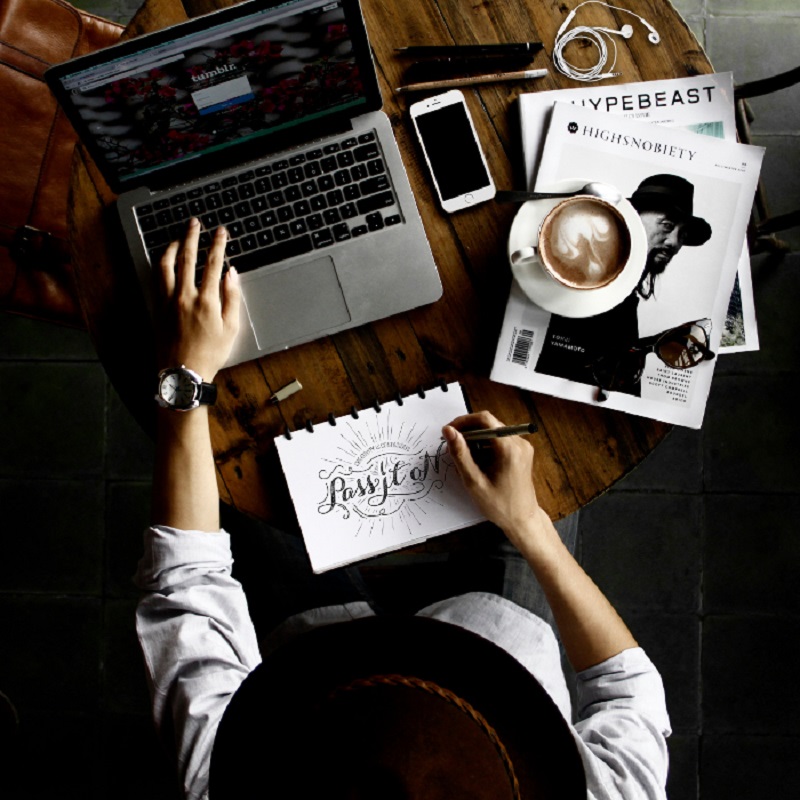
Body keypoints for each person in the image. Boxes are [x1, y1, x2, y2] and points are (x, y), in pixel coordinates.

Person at [135, 219, 671, 799]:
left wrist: (186, 379)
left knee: (243, 473)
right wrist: (528, 525)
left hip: (312, 652)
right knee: (539, 426)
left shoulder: (228, 779)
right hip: (502, 635)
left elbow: (186, 583)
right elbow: (627, 688)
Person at [534, 174, 712, 395]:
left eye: (683, 234)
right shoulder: (588, 280)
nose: (675, 243)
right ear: (633, 218)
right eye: (667, 225)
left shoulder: (625, 297)